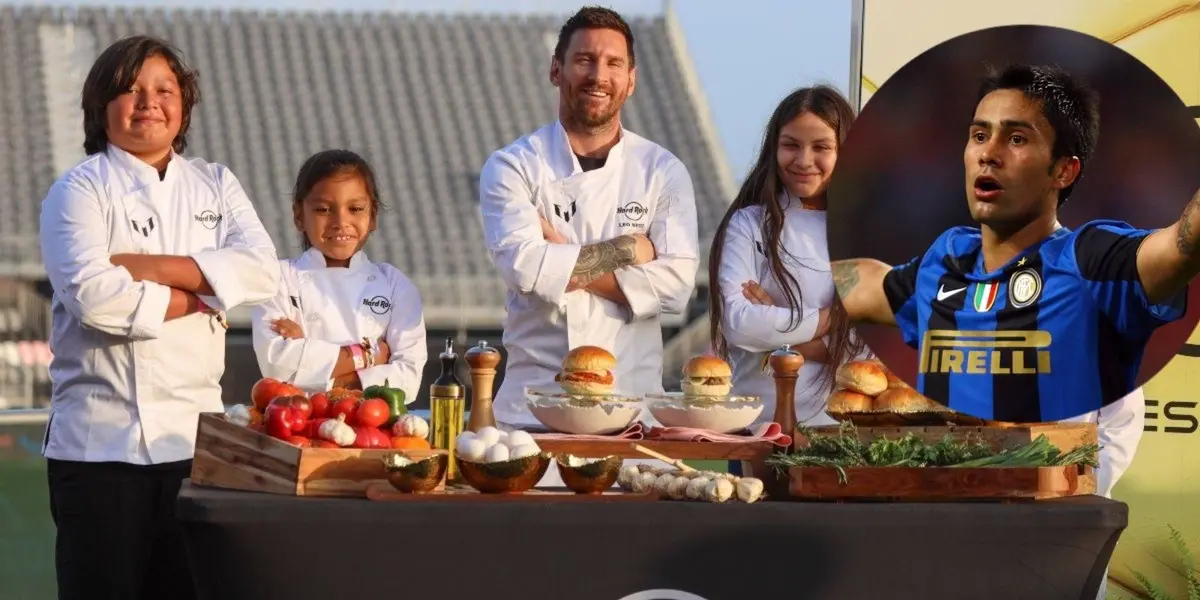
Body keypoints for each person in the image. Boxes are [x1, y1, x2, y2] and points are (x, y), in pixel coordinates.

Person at [38, 36, 280, 600]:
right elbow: (97, 300)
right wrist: (206, 293)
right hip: (97, 450)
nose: (149, 102)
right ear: (101, 106)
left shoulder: (215, 182)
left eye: (164, 90)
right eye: (130, 89)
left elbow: (263, 272)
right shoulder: (77, 190)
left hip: (195, 445)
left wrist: (145, 268)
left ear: (184, 105)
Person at [833, 63, 1197, 425]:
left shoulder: (1089, 261)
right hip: (940, 464)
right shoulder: (946, 260)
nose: (988, 153)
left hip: (1049, 463)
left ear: (1063, 170)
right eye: (979, 135)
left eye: (1016, 139)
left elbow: (1180, 246)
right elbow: (866, 282)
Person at [478, 5, 700, 432]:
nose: (599, 75)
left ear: (631, 80)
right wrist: (628, 249)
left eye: (614, 63)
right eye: (584, 60)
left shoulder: (662, 170)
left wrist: (559, 258)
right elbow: (523, 267)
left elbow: (677, 288)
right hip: (532, 410)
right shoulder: (513, 165)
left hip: (632, 410)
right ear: (556, 70)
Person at [708, 85, 871, 426]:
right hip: (755, 426)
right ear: (774, 148)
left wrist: (775, 330)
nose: (803, 161)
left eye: (821, 147)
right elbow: (738, 324)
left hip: (842, 432)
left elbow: (873, 350)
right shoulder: (749, 224)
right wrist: (833, 318)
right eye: (791, 145)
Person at [250, 149, 427, 402]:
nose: (340, 222)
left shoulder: (394, 285)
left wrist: (308, 363)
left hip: (374, 423)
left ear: (373, 216)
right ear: (299, 216)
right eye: (323, 210)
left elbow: (407, 380)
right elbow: (276, 367)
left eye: (355, 208)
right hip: (298, 421)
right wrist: (369, 355)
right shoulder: (277, 279)